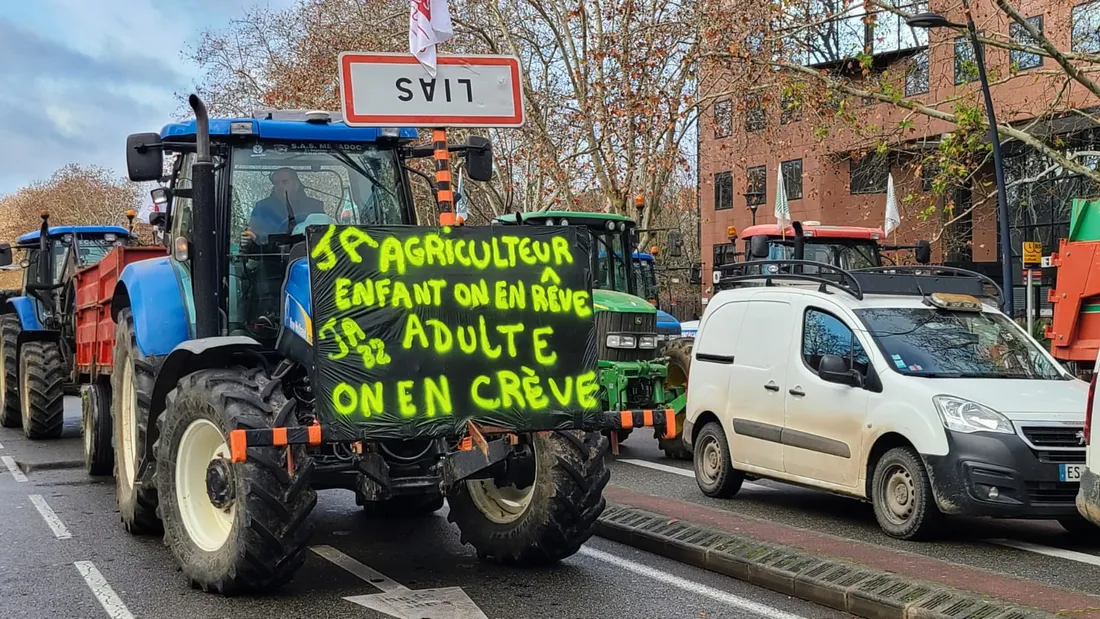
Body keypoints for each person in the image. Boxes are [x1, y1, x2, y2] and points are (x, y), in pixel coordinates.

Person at [242, 168, 325, 247]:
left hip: (307, 256)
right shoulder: (262, 208)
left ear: (296, 184)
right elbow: (252, 235)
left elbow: (325, 234)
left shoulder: (315, 206)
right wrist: (250, 238)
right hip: (267, 256)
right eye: (277, 183)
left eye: (285, 182)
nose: (280, 186)